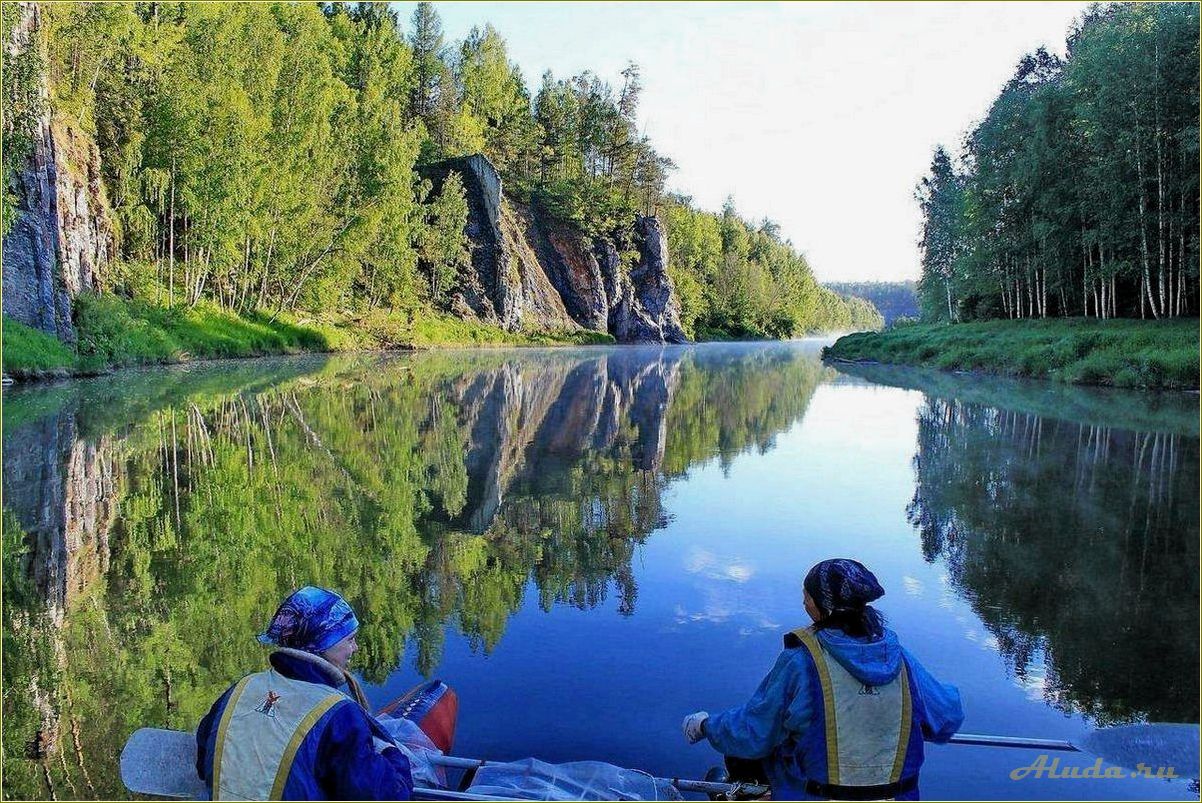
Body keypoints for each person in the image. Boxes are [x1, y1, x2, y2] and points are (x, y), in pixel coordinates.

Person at [681, 559, 964, 801]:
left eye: (807, 595)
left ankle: (745, 792)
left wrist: (706, 726)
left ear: (822, 608)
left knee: (742, 757)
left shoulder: (801, 662)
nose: (803, 601)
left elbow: (754, 732)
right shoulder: (901, 661)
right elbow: (947, 718)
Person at [196, 586, 414, 801]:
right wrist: (391, 755)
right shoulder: (338, 713)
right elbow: (387, 794)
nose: (354, 648)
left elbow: (203, 761)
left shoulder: (242, 688)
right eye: (349, 639)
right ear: (323, 643)